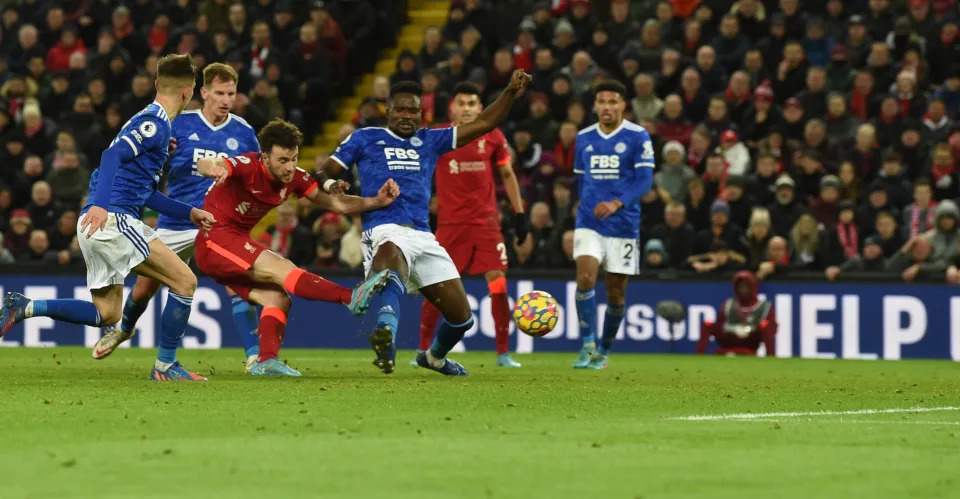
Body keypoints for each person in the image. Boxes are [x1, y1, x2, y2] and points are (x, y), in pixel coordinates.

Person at [1, 54, 216, 381]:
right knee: (185, 281)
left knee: (107, 313)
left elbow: (143, 192)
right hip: (112, 219)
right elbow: (110, 155)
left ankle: (25, 306)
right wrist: (101, 205)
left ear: (157, 84)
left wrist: (189, 213)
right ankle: (166, 366)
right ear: (190, 93)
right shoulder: (155, 122)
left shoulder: (152, 125)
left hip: (99, 221)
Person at [321, 70, 532, 376]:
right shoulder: (365, 138)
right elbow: (325, 172)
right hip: (383, 225)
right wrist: (332, 186)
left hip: (423, 234)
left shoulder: (431, 140)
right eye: (400, 109)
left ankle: (434, 358)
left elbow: (485, 124)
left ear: (422, 113)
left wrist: (511, 92)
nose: (406, 116)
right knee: (391, 257)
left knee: (463, 318)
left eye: (413, 111)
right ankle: (386, 337)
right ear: (388, 110)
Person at [91, 63, 264, 371]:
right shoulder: (176, 124)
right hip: (177, 219)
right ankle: (125, 329)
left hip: (217, 221)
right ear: (204, 92)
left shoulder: (245, 133)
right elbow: (149, 162)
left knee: (234, 279)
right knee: (145, 287)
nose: (226, 100)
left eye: (232, 94)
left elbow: (255, 176)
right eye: (220, 93)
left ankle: (254, 357)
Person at [193, 119, 398, 377]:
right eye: (283, 160)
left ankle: (265, 361)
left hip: (233, 244)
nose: (290, 167)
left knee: (278, 298)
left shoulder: (295, 178)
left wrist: (377, 201)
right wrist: (213, 167)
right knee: (281, 267)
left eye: (294, 158)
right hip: (214, 239)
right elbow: (209, 164)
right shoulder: (247, 166)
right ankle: (349, 297)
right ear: (265, 157)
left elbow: (337, 205)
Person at [417, 82, 528, 368]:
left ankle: (503, 353)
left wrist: (520, 213)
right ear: (452, 107)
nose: (467, 108)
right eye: (462, 103)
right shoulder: (439, 136)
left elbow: (506, 172)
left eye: (472, 104)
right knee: (436, 287)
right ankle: (421, 350)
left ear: (481, 108)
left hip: (486, 224)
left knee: (499, 282)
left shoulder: (492, 134)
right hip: (450, 225)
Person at [571, 80, 655, 370]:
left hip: (623, 224)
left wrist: (618, 203)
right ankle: (587, 345)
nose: (607, 107)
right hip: (589, 221)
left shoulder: (638, 136)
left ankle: (603, 351)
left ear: (623, 105)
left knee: (616, 293)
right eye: (602, 102)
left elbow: (644, 180)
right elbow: (581, 179)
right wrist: (581, 206)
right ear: (595, 105)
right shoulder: (583, 137)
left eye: (612, 101)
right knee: (585, 276)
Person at [696, 271, 776, 355]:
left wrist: (748, 329)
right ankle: (699, 355)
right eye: (740, 286)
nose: (743, 289)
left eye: (746, 286)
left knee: (766, 325)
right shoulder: (728, 304)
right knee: (707, 324)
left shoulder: (764, 306)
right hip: (731, 337)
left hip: (751, 339)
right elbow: (721, 324)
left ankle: (770, 356)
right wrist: (734, 329)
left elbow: (772, 328)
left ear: (752, 287)